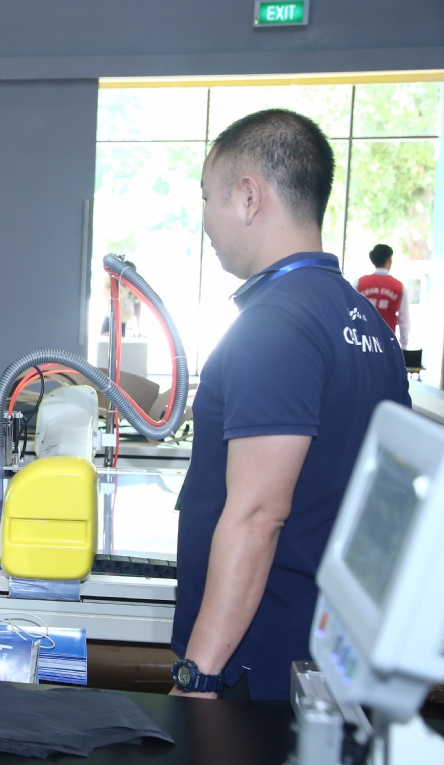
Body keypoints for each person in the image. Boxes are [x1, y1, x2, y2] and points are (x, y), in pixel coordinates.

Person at [170, 109, 411, 703]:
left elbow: (259, 515)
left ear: (249, 197)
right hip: (322, 653)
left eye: (207, 198)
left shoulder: (276, 322)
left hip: (255, 667)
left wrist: (199, 674)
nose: (205, 220)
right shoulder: (365, 322)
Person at [356, 243, 410, 349]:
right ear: (389, 260)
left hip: (363, 343)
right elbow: (404, 321)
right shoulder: (399, 287)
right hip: (387, 344)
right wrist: (404, 346)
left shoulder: (359, 283)